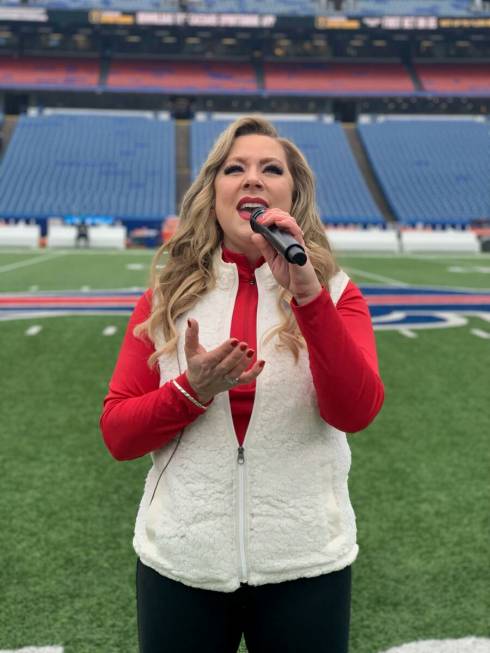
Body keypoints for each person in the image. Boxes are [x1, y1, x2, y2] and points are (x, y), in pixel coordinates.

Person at [100, 115, 384, 653]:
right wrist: (191, 390)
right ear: (214, 192)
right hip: (182, 563)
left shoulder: (336, 294)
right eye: (235, 168)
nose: (252, 179)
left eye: (270, 169)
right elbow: (118, 433)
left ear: (292, 194)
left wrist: (308, 296)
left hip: (304, 563)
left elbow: (355, 411)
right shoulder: (166, 298)